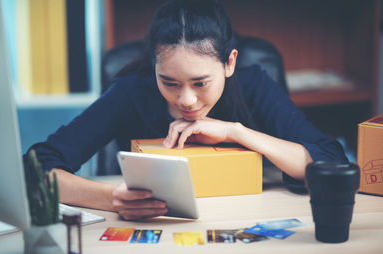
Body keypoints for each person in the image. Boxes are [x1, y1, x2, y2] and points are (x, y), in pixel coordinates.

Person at [26, 0, 347, 220]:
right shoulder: (131, 91)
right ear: (153, 65)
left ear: (230, 63)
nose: (187, 100)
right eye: (169, 82)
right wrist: (111, 198)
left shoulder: (254, 85)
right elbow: (34, 169)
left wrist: (236, 131)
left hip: (243, 219)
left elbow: (331, 161)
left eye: (201, 83)